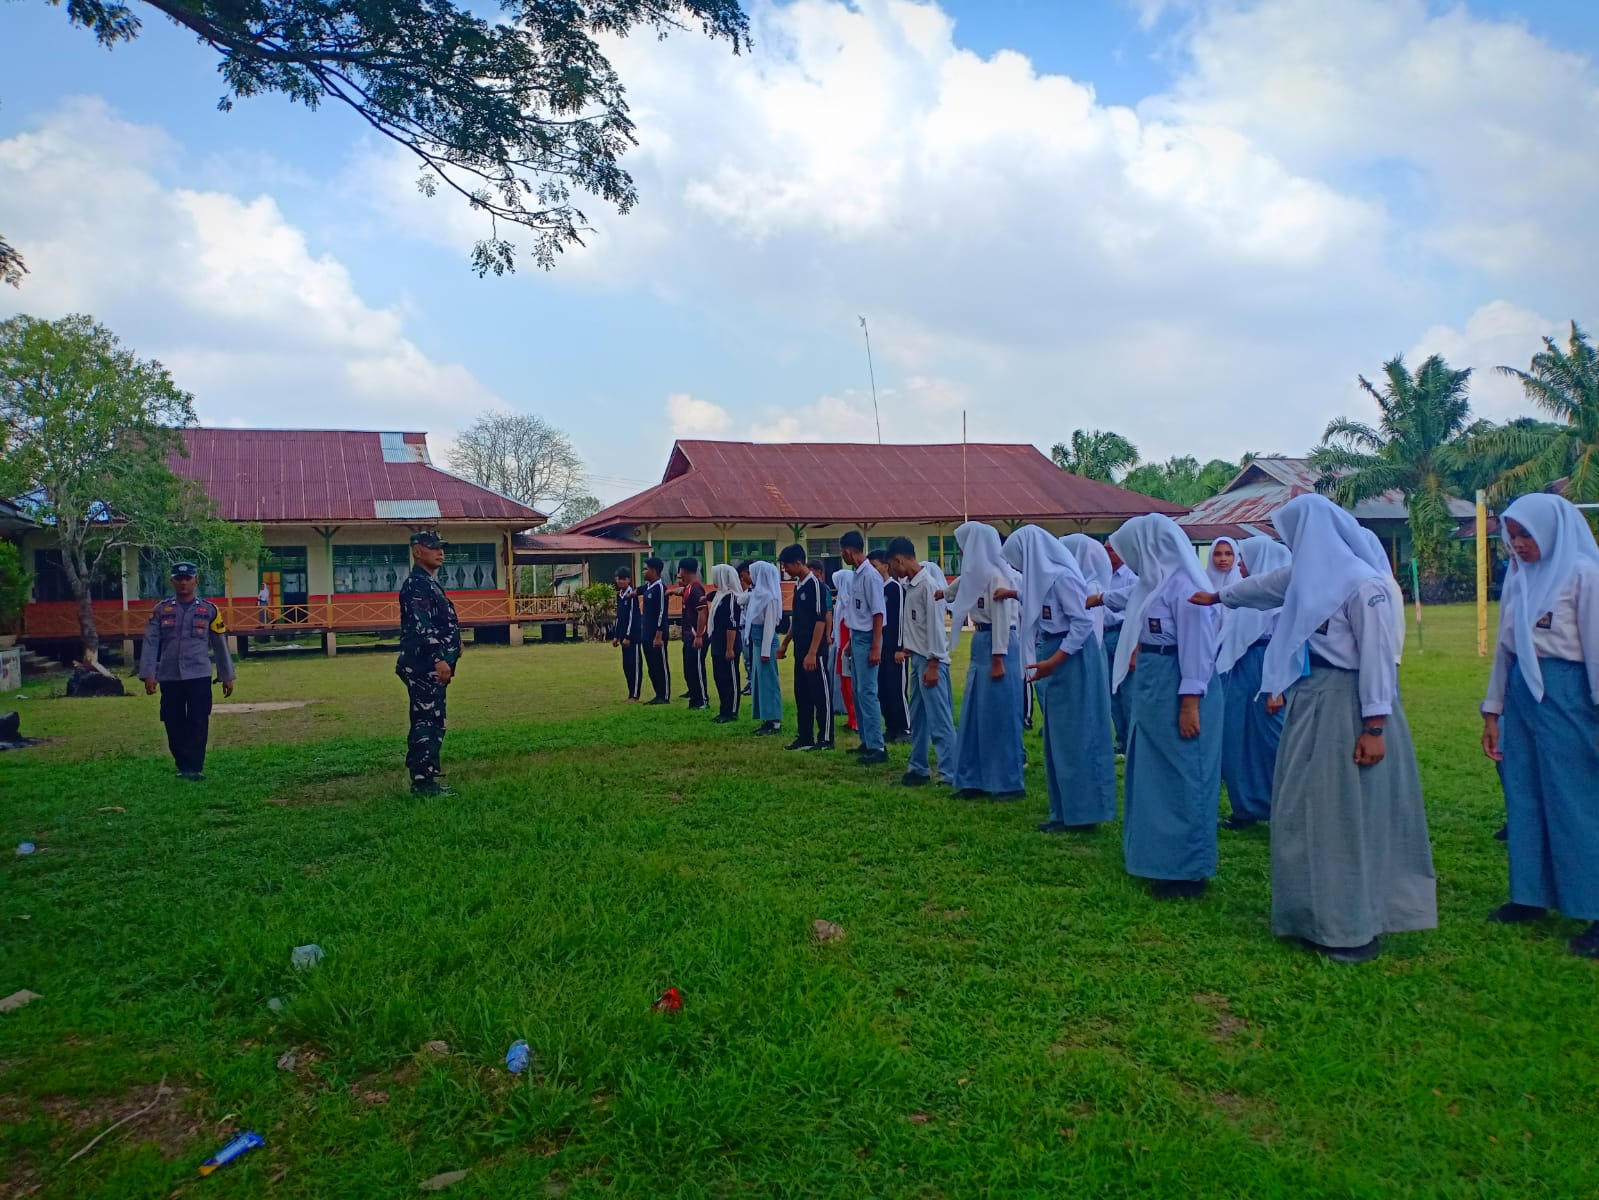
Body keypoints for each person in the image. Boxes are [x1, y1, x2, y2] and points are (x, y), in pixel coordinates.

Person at [1193, 493, 1436, 963]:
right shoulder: (1311, 577)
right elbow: (1265, 587)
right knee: (1305, 806)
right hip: (1312, 698)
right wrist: (1218, 595)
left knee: (1344, 812)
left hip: (1352, 705)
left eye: (1291, 535)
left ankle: (1351, 926)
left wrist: (1374, 726)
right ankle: (1313, 913)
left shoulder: (1363, 585)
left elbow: (1378, 660)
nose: (1287, 544)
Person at [1480, 493, 1599, 959]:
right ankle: (1529, 895)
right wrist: (1493, 711)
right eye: (1512, 536)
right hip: (1522, 696)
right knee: (1524, 794)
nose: (1518, 545)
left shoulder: (1584, 576)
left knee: (1575, 800)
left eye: (1526, 535)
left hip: (1570, 693)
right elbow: (1506, 650)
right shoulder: (1519, 578)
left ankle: (1592, 907)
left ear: (1551, 532)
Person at [1108, 514, 1222, 900]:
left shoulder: (1186, 587)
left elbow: (1198, 649)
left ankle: (1188, 869)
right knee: (1155, 772)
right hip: (1155, 682)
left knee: (1186, 771)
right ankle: (1159, 858)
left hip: (1180, 684)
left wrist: (1190, 703)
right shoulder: (1153, 585)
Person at [1002, 525, 1115, 833]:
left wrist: (1055, 660)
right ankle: (1064, 810)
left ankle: (1083, 813)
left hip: (1072, 655)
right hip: (1057, 652)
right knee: (1059, 737)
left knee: (1077, 735)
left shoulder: (1063, 578)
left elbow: (1082, 622)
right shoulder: (1043, 581)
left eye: (1017, 561)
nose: (1015, 568)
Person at [1215, 535, 1290, 830]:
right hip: (1240, 667)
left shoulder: (1280, 597)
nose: (1240, 564)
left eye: (1244, 558)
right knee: (1236, 737)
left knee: (1272, 741)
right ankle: (1245, 807)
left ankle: (1283, 806)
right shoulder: (1246, 592)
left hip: (1267, 666)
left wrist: (1277, 688)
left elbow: (1287, 643)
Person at [946, 522, 1025, 798]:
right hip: (981, 643)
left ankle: (1006, 782)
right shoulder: (977, 574)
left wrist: (998, 658)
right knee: (975, 713)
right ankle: (972, 779)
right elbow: (957, 588)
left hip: (997, 646)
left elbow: (1003, 620)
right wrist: (942, 594)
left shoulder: (996, 576)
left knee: (999, 715)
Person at [139, 561, 235, 782]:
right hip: (170, 675)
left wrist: (226, 676)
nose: (183, 583)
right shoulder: (161, 610)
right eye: (179, 579)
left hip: (199, 674)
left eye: (187, 579)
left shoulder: (209, 610)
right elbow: (151, 642)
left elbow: (220, 644)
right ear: (172, 581)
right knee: (173, 720)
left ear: (196, 581)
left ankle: (195, 766)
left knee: (198, 719)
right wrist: (149, 674)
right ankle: (182, 764)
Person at [394, 532, 462, 796]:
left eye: (442, 548)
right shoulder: (417, 585)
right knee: (426, 721)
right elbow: (422, 627)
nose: (440, 552)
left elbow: (438, 620)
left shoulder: (428, 582)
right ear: (417, 551)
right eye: (433, 548)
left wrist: (456, 643)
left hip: (431, 664)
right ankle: (423, 782)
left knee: (433, 720)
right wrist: (439, 657)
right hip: (425, 665)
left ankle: (427, 775)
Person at [887, 538, 958, 787]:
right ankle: (918, 767)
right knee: (918, 718)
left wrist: (934, 663)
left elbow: (937, 629)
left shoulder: (927, 586)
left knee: (939, 719)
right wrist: (908, 648)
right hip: (917, 658)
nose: (892, 572)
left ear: (899, 559)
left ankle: (951, 772)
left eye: (891, 566)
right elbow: (916, 625)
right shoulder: (910, 586)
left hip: (931, 660)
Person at [778, 544, 834, 751]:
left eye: (786, 566)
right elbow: (798, 619)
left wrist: (812, 652)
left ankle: (826, 738)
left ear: (798, 563)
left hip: (815, 652)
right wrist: (785, 643)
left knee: (820, 694)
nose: (785, 571)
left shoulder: (816, 586)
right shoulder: (798, 585)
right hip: (799, 649)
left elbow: (820, 620)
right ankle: (805, 736)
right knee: (802, 694)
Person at [841, 531, 888, 765]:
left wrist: (876, 647)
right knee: (859, 692)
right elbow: (858, 612)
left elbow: (878, 613)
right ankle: (867, 740)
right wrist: (850, 640)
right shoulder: (856, 575)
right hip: (857, 637)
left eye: (843, 552)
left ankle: (878, 746)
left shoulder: (870, 576)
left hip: (868, 639)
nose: (843, 556)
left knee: (868, 693)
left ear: (849, 550)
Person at [1096, 542, 1138, 756]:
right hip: (1105, 634)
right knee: (1111, 690)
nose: (1108, 553)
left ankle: (1133, 740)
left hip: (1124, 632)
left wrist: (1133, 649)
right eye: (1105, 548)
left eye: (1112, 548)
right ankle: (1121, 738)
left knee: (1128, 690)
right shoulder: (1101, 574)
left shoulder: (1132, 577)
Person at [869, 549, 912, 744]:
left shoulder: (895, 589)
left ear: (885, 566)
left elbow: (901, 620)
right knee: (883, 689)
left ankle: (905, 727)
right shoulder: (876, 589)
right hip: (881, 647)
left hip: (895, 649)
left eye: (874, 566)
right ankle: (891, 726)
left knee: (897, 689)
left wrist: (900, 647)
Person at [747, 560, 784, 736]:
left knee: (769, 681)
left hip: (765, 642)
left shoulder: (770, 597)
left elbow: (769, 626)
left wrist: (764, 651)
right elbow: (740, 599)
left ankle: (774, 721)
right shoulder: (758, 594)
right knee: (760, 682)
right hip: (757, 640)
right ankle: (766, 717)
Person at [706, 563, 744, 723]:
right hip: (717, 643)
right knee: (719, 677)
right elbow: (710, 596)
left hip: (728, 645)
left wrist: (729, 648)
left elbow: (731, 624)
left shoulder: (730, 597)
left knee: (731, 678)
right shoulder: (720, 595)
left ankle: (732, 711)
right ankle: (724, 709)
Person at [675, 557, 711, 710]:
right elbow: (681, 590)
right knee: (691, 667)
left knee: (697, 667)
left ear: (683, 570)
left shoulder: (696, 589)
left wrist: (699, 635)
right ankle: (695, 698)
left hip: (698, 635)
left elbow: (703, 611)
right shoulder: (689, 588)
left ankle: (702, 700)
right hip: (690, 634)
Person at [639, 557, 672, 705]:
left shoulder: (660, 588)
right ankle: (657, 694)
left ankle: (664, 695)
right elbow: (640, 589)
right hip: (646, 634)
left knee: (660, 665)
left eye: (645, 569)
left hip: (656, 635)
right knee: (651, 666)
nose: (643, 571)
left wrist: (658, 635)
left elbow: (661, 613)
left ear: (653, 570)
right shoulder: (648, 587)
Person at [831, 566, 857, 732]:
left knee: (850, 683)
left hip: (848, 646)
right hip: (841, 646)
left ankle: (856, 719)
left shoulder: (851, 603)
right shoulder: (840, 602)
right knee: (843, 683)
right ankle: (850, 717)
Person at [612, 566, 643, 702]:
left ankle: (635, 694)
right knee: (626, 666)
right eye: (618, 578)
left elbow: (632, 617)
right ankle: (630, 693)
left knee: (635, 666)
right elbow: (619, 618)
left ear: (629, 580)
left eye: (623, 579)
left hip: (633, 637)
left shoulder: (632, 595)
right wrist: (616, 636)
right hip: (623, 637)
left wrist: (628, 636)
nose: (620, 581)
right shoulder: (619, 595)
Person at [737, 559, 756, 698]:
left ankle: (752, 683)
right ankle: (750, 682)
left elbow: (740, 599)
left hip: (751, 629)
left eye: (742, 576)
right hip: (743, 628)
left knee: (750, 658)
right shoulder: (749, 591)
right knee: (746, 659)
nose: (741, 579)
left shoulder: (755, 592)